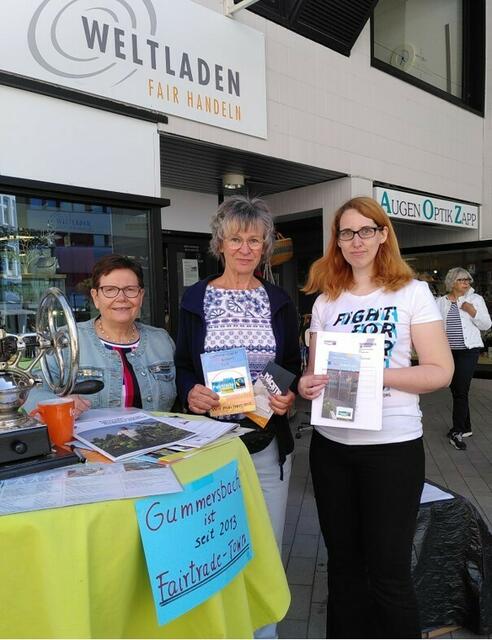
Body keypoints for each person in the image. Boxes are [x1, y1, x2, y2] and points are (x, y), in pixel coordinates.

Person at [298, 196, 454, 639]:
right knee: (343, 569)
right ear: (338, 241)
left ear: (384, 234)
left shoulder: (412, 293)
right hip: (331, 449)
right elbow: (314, 374)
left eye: (367, 230)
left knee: (388, 573)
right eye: (346, 232)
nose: (356, 240)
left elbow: (440, 371)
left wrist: (374, 372)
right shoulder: (328, 300)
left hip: (391, 449)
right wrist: (307, 385)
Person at [175, 195, 301, 551]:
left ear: (264, 247)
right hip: (213, 440)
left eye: (254, 240)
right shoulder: (195, 299)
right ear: (220, 244)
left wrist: (284, 397)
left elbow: (291, 361)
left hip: (266, 438)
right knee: (217, 543)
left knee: (267, 541)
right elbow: (183, 363)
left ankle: (267, 608)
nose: (245, 249)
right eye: (236, 239)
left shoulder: (278, 301)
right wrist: (190, 392)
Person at [25, 254, 176, 416]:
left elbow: (184, 392)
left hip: (157, 439)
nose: (121, 298)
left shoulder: (162, 341)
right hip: (84, 440)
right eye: (110, 290)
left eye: (130, 290)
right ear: (96, 297)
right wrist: (59, 404)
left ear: (141, 296)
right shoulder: (65, 340)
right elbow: (32, 391)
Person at [436, 267, 491, 450]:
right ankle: (466, 426)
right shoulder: (440, 302)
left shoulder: (475, 300)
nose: (466, 283)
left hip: (469, 351)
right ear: (452, 282)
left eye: (468, 280)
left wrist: (472, 311)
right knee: (456, 390)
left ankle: (457, 430)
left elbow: (486, 325)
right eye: (462, 280)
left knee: (461, 390)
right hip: (448, 352)